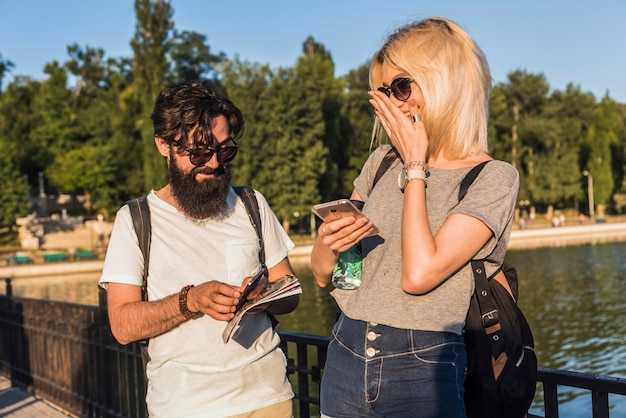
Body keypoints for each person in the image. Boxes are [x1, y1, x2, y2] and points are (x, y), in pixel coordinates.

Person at [310, 18, 519, 418]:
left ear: (444, 81)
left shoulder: (492, 177)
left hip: (423, 365)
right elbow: (326, 276)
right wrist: (328, 242)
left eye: (401, 86)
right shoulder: (380, 163)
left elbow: (419, 274)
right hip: (345, 354)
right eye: (384, 91)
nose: (393, 102)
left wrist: (416, 166)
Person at [99, 81, 297, 418]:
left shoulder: (251, 203)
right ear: (163, 145)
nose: (215, 164)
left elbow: (290, 292)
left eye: (225, 150)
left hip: (268, 397)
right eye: (200, 153)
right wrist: (190, 300)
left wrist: (262, 294)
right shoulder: (135, 220)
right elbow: (122, 325)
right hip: (184, 407)